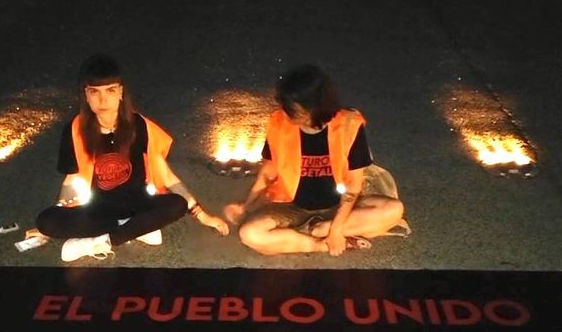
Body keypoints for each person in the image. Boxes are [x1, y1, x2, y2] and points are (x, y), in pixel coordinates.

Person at [36, 54, 228, 261]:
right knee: (46, 221)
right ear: (86, 95)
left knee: (177, 204)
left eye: (110, 90)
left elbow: (167, 176)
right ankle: (134, 229)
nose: (103, 100)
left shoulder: (139, 125)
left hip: (139, 203)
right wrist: (60, 211)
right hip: (99, 211)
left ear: (120, 92)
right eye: (94, 92)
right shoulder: (75, 130)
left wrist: (202, 215)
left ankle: (103, 241)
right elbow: (71, 180)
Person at [223, 64, 405, 256]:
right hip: (293, 206)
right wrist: (246, 205)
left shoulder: (348, 124)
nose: (288, 113)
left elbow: (353, 184)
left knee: (393, 209)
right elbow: (268, 173)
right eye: (288, 106)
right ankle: (319, 244)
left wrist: (335, 228)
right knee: (250, 234)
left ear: (317, 105)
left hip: (342, 206)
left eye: (295, 108)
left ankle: (321, 230)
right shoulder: (279, 123)